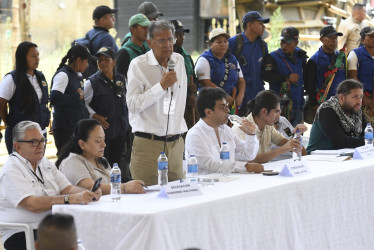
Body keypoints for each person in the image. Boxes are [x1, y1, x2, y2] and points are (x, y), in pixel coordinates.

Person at [0, 121, 101, 250]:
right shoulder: (11, 170)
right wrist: (67, 199)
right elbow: (32, 204)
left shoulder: (44, 163)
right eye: (33, 142)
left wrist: (88, 193)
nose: (41, 145)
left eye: (42, 140)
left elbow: (67, 188)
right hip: (23, 232)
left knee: (91, 236)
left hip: (52, 227)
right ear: (17, 146)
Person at [126, 20, 187, 185]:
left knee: (178, 201)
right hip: (148, 145)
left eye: (170, 39)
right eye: (162, 40)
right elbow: (133, 105)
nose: (167, 44)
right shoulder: (138, 65)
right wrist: (160, 87)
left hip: (176, 144)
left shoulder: (179, 61)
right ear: (150, 43)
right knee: (146, 201)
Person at [185, 87, 262, 174]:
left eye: (227, 106)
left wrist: (250, 135)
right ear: (208, 112)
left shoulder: (225, 129)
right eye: (223, 108)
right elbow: (211, 165)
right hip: (206, 185)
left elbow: (248, 155)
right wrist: (244, 167)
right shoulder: (195, 135)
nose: (228, 111)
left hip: (229, 181)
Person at [57, 119, 145, 194]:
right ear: (82, 144)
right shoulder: (72, 161)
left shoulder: (101, 160)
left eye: (104, 139)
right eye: (98, 141)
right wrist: (124, 187)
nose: (104, 144)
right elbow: (91, 188)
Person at [83, 47, 129, 177]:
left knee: (117, 165)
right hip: (102, 134)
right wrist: (94, 115)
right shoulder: (91, 82)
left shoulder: (122, 79)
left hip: (120, 130)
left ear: (114, 62)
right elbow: (83, 104)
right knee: (102, 165)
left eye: (106, 60)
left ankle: (117, 189)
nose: (102, 62)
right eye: (100, 60)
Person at [0, 41, 50, 154]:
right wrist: (8, 122)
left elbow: (43, 103)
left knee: (37, 167)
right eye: (33, 56)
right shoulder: (12, 78)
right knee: (21, 169)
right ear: (23, 58)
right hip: (21, 137)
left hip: (40, 133)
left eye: (38, 55)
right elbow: (1, 103)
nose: (37, 59)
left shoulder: (40, 77)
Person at [234, 90, 307, 163]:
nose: (279, 115)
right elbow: (249, 160)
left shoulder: (267, 126)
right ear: (264, 111)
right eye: (276, 111)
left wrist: (296, 134)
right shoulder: (242, 129)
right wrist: (282, 149)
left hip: (263, 171)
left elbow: (284, 142)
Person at [50, 45, 92, 156]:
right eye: (86, 62)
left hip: (75, 127)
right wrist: (76, 96)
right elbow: (54, 98)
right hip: (65, 130)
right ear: (78, 60)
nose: (87, 65)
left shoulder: (77, 75)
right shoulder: (63, 75)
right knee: (67, 164)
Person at [262, 27, 308, 126]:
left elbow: (305, 75)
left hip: (298, 105)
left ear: (296, 43)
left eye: (288, 43)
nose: (284, 45)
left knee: (297, 137)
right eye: (282, 42)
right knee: (281, 137)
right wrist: (286, 78)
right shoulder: (273, 57)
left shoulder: (301, 56)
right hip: (280, 107)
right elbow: (266, 76)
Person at [307, 79, 365, 153]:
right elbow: (340, 142)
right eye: (355, 97)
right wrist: (367, 141)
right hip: (318, 158)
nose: (359, 101)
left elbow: (367, 134)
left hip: (342, 156)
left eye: (361, 97)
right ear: (341, 98)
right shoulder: (327, 110)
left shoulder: (355, 110)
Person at [228, 11, 270, 116]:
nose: (263, 27)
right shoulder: (234, 43)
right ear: (249, 25)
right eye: (260, 23)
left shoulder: (263, 46)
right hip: (239, 100)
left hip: (258, 99)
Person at [196, 28, 245, 113]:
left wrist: (240, 95)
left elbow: (241, 80)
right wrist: (224, 97)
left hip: (230, 104)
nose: (223, 44)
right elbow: (205, 82)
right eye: (219, 42)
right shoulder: (204, 59)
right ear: (211, 44)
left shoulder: (232, 59)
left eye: (225, 41)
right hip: (210, 106)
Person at [305, 26, 346, 117]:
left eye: (335, 38)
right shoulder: (314, 60)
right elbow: (309, 84)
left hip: (341, 103)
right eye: (331, 38)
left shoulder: (342, 57)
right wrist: (314, 104)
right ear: (322, 39)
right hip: (323, 103)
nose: (334, 41)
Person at [170, 19, 199, 129]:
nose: (181, 38)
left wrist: (194, 88)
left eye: (183, 35)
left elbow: (194, 78)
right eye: (178, 35)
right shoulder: (165, 57)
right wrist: (186, 89)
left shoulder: (186, 57)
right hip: (175, 104)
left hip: (190, 104)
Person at [81, 5, 118, 78]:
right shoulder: (106, 38)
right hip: (103, 81)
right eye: (111, 16)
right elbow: (108, 66)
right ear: (103, 20)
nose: (114, 19)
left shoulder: (89, 33)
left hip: (92, 78)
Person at [347, 26, 374, 126]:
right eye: (371, 37)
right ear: (363, 39)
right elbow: (353, 78)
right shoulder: (355, 54)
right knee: (364, 130)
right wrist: (364, 98)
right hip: (361, 99)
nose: (373, 39)